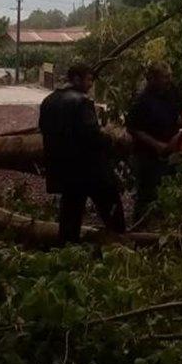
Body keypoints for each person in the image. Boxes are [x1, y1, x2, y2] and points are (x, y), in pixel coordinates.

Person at [38, 62, 125, 244]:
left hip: (62, 169)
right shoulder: (82, 102)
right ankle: (120, 243)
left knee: (70, 213)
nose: (91, 84)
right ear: (76, 79)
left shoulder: (48, 101)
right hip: (88, 169)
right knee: (111, 203)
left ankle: (66, 251)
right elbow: (92, 137)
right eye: (88, 80)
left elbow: (45, 131)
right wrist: (110, 137)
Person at [125, 61, 182, 222]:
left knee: (171, 189)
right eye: (165, 77)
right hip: (147, 154)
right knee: (148, 193)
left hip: (171, 148)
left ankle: (168, 224)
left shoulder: (172, 91)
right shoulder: (141, 100)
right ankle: (142, 227)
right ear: (153, 78)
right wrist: (157, 145)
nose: (169, 80)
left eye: (170, 76)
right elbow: (133, 128)